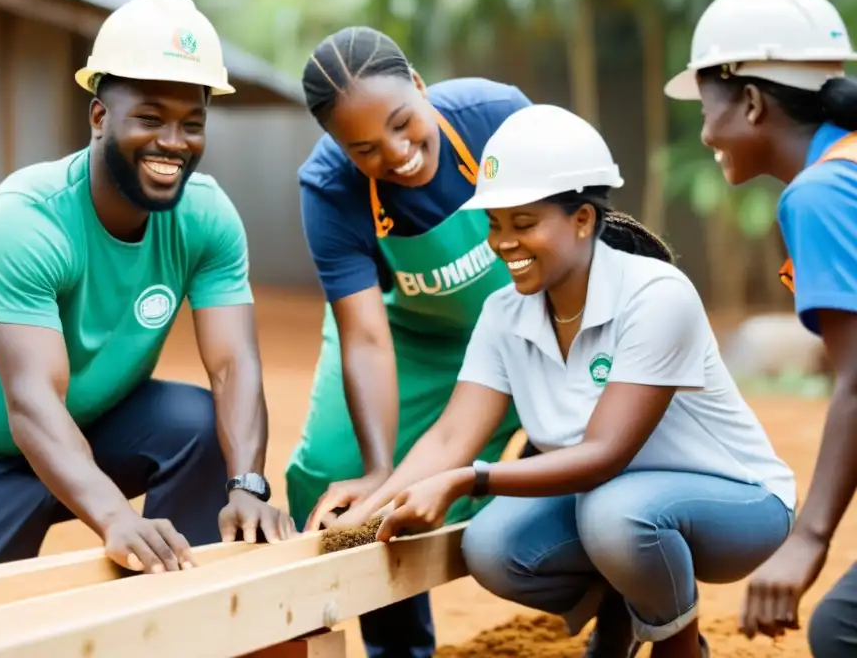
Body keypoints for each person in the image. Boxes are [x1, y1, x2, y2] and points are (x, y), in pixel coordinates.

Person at [335, 104, 798, 658]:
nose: (503, 243)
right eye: (495, 224)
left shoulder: (656, 296)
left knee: (615, 514)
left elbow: (604, 454)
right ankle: (620, 614)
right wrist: (370, 511)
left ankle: (680, 647)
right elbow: (450, 436)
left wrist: (466, 481)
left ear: (582, 220)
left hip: (738, 503)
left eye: (524, 224)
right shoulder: (505, 313)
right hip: (614, 506)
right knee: (493, 545)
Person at [0, 0, 295, 580]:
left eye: (193, 123)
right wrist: (115, 517)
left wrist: (247, 485)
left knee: (196, 424)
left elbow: (232, 364)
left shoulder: (206, 216)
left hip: (103, 426)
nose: (174, 142)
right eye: (150, 118)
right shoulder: (26, 217)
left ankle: (176, 614)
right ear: (98, 117)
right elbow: (31, 402)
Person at [287, 26, 532, 658]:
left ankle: (630, 619)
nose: (396, 154)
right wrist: (377, 468)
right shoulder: (328, 187)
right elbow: (365, 337)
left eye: (403, 123)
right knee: (331, 476)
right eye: (363, 147)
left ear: (422, 87)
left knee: (586, 452)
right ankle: (398, 650)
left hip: (527, 328)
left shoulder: (497, 117)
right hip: (412, 342)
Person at [664, 0, 857, 658]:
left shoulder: (823, 193)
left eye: (704, 106)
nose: (703, 130)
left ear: (749, 102)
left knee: (843, 632)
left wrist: (806, 540)